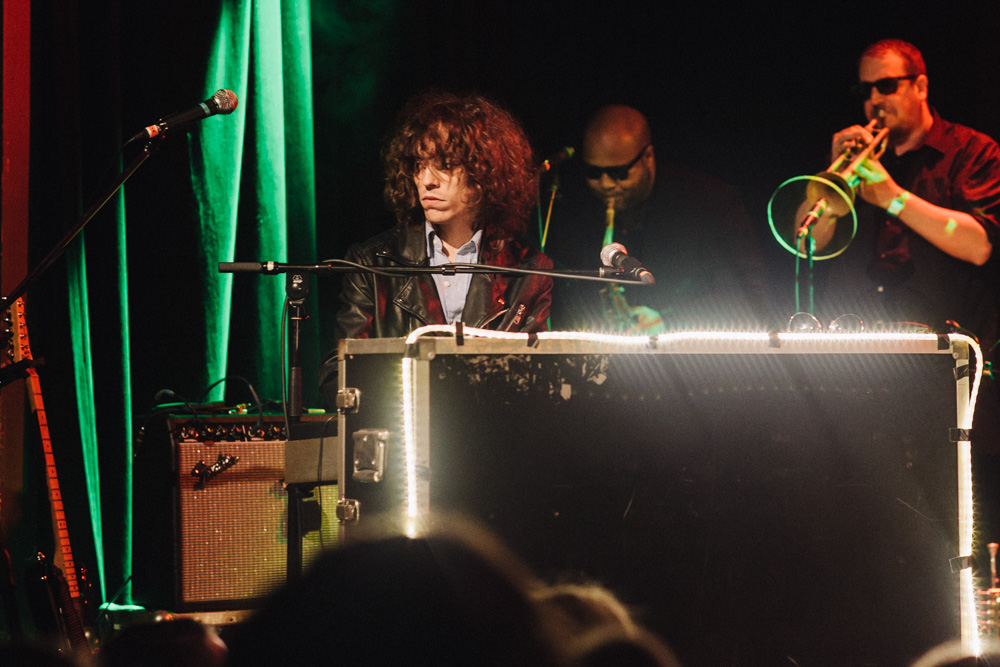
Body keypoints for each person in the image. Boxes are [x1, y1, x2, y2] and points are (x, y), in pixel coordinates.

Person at [319, 90, 553, 402]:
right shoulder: (371, 263)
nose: (426, 180)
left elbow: (539, 384)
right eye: (418, 164)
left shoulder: (530, 271)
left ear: (485, 171)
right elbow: (338, 377)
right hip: (402, 439)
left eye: (444, 163)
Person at [814, 39, 1000, 343]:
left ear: (921, 87)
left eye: (886, 86)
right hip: (853, 344)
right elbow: (807, 242)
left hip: (945, 349)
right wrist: (832, 175)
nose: (874, 99)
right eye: (866, 90)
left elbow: (979, 247)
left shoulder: (973, 150)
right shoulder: (856, 159)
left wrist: (892, 197)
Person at [543, 104, 769, 333]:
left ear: (648, 156)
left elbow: (750, 295)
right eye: (594, 173)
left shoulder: (711, 202)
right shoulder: (580, 212)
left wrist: (668, 322)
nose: (606, 185)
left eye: (619, 173)